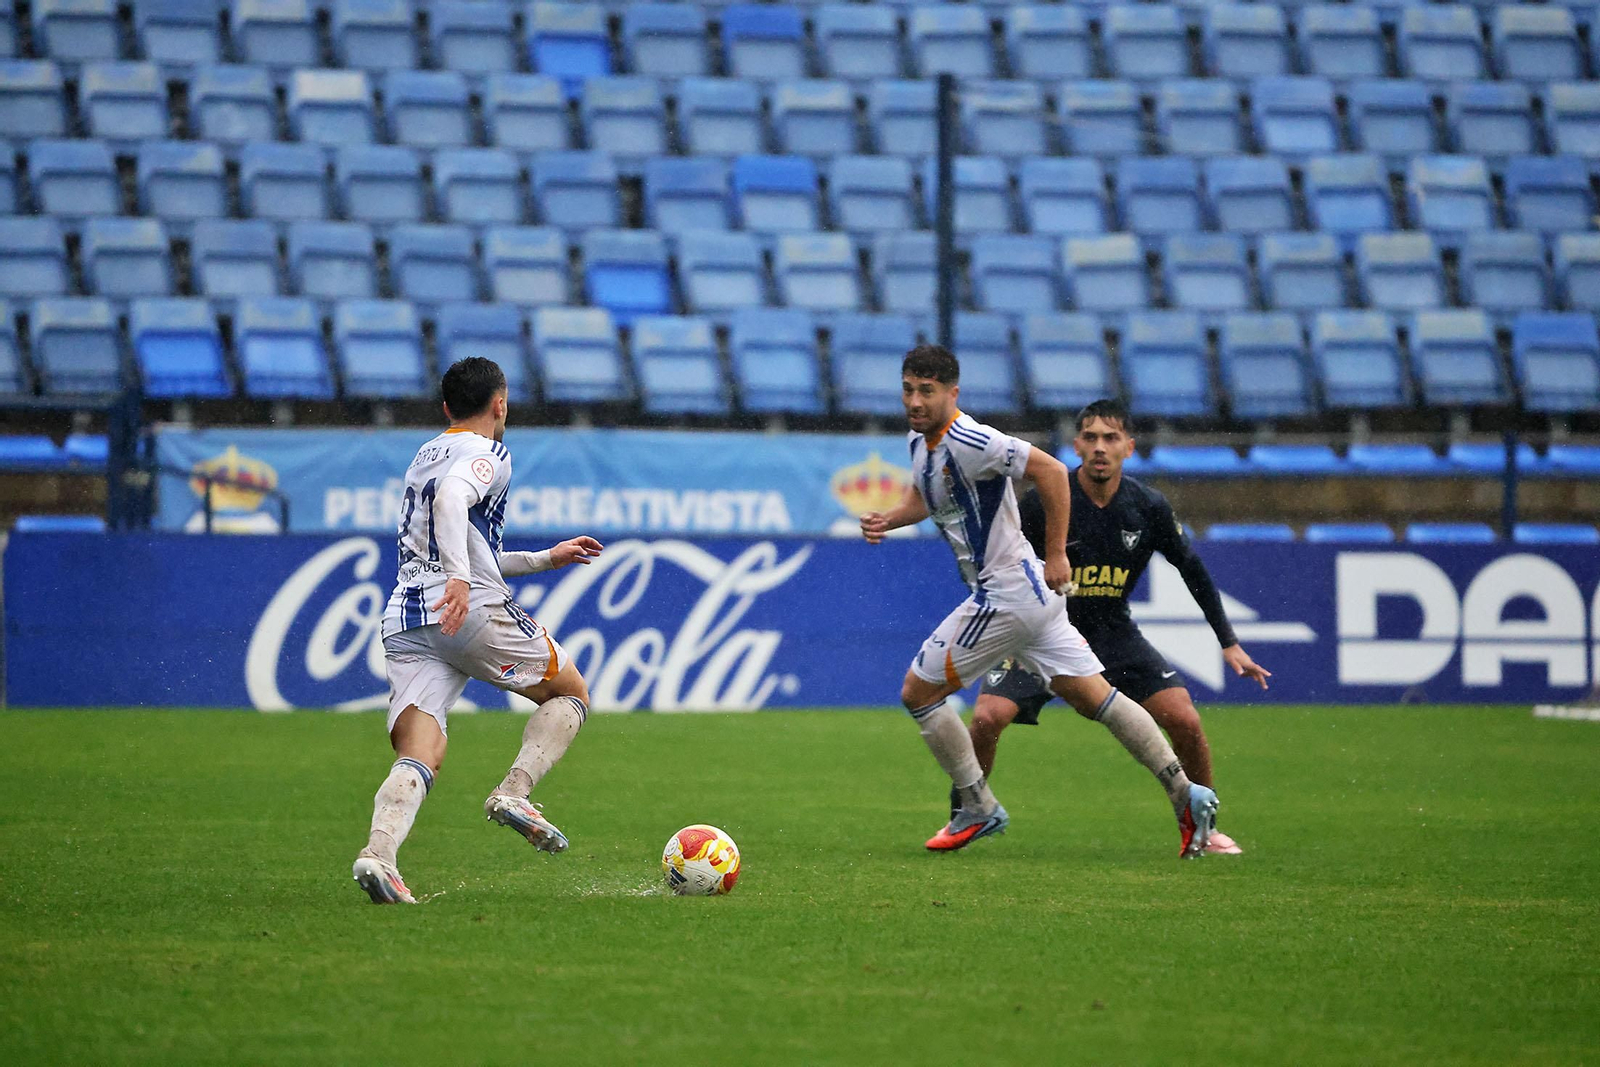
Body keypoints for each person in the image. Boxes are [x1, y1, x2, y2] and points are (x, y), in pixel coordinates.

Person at [861, 345, 1219, 857]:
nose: (915, 401)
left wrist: (1057, 554)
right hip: (1033, 599)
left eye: (927, 391)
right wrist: (889, 519)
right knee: (1096, 697)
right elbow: (927, 494)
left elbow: (1050, 471)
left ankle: (977, 805)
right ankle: (1187, 794)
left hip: (1007, 593)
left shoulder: (973, 438)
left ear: (952, 393)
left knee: (918, 693)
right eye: (908, 389)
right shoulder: (921, 440)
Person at [957, 398, 1270, 855]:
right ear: (1077, 446)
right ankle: (964, 818)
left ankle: (1202, 829)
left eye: (1111, 438)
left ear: (1129, 446)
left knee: (1184, 720)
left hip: (1113, 634)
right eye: (1091, 438)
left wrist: (1229, 643)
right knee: (986, 719)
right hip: (1043, 631)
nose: (1100, 447)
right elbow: (997, 561)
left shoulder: (1146, 506)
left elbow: (1191, 569)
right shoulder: (1045, 499)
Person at [351, 356, 605, 904]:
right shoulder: (488, 452)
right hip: (465, 610)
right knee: (570, 691)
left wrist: (543, 559)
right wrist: (462, 583)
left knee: (422, 749)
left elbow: (461, 537)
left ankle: (379, 856)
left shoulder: (425, 454)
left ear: (446, 408)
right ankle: (514, 793)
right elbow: (451, 504)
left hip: (408, 616)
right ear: (500, 404)